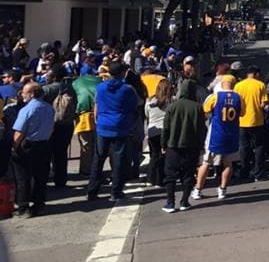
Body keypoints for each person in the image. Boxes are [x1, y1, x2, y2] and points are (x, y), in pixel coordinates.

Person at [87, 62, 139, 202]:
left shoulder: (100, 87)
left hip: (103, 125)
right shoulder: (127, 89)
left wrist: (98, 120)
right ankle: (115, 191)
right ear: (122, 73)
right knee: (118, 160)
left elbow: (96, 105)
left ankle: (92, 190)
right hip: (120, 126)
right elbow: (135, 106)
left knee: (98, 159)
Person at [192, 77, 244, 200]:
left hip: (216, 133)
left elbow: (205, 110)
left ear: (222, 84)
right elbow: (242, 113)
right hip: (231, 133)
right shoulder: (239, 97)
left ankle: (198, 189)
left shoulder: (215, 97)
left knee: (206, 162)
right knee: (228, 163)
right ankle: (223, 189)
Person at [160, 79, 206, 213]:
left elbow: (166, 128)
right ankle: (184, 201)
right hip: (191, 146)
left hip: (173, 146)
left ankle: (170, 202)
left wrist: (163, 144)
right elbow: (201, 129)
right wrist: (201, 145)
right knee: (188, 175)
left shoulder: (172, 107)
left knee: (170, 176)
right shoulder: (197, 107)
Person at [9, 82, 54, 217]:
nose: (22, 94)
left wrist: (14, 147)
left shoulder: (27, 110)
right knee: (40, 176)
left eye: (24, 92)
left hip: (27, 144)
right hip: (43, 144)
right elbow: (51, 127)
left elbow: (19, 132)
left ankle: (23, 207)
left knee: (23, 177)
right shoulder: (49, 108)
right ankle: (39, 204)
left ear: (32, 93)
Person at [42, 64, 76, 188]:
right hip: (66, 124)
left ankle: (44, 178)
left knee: (46, 153)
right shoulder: (70, 89)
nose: (45, 77)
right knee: (61, 153)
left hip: (49, 125)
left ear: (54, 76)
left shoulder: (46, 89)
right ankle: (60, 180)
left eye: (48, 75)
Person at [235, 66, 268, 182]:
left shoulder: (238, 86)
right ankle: (258, 172)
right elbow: (263, 104)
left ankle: (244, 171)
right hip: (257, 120)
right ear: (256, 74)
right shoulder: (260, 85)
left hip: (242, 120)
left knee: (244, 147)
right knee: (259, 147)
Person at [145, 78, 173, 187]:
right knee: (164, 156)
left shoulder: (150, 102)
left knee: (154, 155)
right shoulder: (171, 101)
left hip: (152, 131)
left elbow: (147, 115)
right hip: (165, 131)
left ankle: (150, 179)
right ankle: (160, 180)